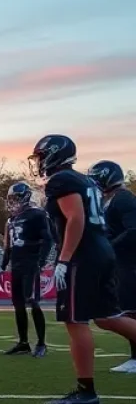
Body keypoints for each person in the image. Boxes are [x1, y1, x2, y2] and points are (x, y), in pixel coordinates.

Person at [29, 135, 136, 404]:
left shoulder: (61, 181)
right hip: (101, 252)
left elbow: (76, 218)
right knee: (108, 317)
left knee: (76, 321)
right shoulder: (86, 181)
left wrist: (63, 260)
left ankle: (86, 392)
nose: (39, 162)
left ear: (53, 154)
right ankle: (85, 391)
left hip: (83, 255)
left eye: (41, 156)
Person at [87, 160, 136, 374]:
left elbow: (133, 230)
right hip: (119, 262)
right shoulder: (109, 200)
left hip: (129, 262)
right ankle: (134, 357)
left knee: (129, 312)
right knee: (126, 311)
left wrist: (108, 246)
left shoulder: (123, 198)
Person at [0, 182, 52, 357]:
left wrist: (41, 261)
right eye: (11, 199)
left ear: (25, 197)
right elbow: (9, 245)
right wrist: (3, 264)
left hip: (31, 263)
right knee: (18, 304)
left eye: (15, 198)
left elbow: (48, 239)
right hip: (16, 264)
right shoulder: (12, 219)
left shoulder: (37, 214)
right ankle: (23, 342)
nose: (12, 202)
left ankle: (41, 343)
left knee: (33, 301)